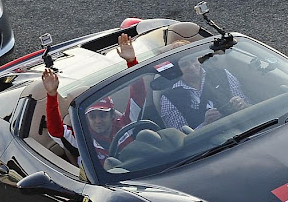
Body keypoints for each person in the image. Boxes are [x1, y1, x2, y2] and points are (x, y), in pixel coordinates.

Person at [42, 33, 146, 166]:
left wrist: (132, 62)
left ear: (112, 114)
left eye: (102, 115)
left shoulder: (127, 124)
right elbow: (56, 131)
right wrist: (51, 95)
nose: (98, 121)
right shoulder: (82, 139)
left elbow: (138, 94)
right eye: (93, 116)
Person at [159, 52, 250, 131]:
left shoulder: (222, 74)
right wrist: (205, 125)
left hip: (242, 129)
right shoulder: (169, 98)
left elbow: (248, 105)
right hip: (208, 145)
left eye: (193, 60)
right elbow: (180, 138)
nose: (192, 67)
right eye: (184, 64)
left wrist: (243, 105)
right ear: (176, 69)